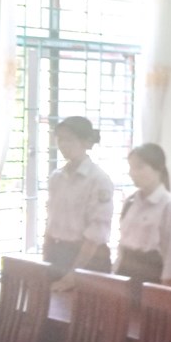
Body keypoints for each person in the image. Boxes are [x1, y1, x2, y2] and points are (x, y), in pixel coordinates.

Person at [42, 116, 113, 277]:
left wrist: (73, 275)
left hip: (88, 257)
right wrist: (46, 256)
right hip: (57, 252)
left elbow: (96, 232)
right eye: (60, 139)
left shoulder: (98, 179)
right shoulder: (56, 177)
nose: (63, 144)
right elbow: (51, 221)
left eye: (69, 139)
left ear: (85, 142)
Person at [116, 143, 171, 289]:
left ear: (158, 168)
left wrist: (166, 289)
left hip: (150, 275)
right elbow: (122, 245)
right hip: (125, 271)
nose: (133, 173)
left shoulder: (170, 205)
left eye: (139, 167)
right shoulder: (130, 202)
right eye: (131, 167)